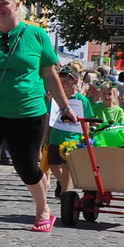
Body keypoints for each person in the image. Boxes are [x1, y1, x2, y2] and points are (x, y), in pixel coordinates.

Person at [0, 0, 79, 234]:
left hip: (28, 111)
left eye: (3, 3)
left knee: (26, 165)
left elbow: (49, 74)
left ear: (16, 6)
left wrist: (65, 106)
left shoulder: (37, 35)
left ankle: (43, 209)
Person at [46, 67, 87, 196]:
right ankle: (62, 182)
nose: (62, 83)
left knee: (66, 166)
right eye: (60, 80)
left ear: (74, 82)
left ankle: (65, 192)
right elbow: (49, 117)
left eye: (65, 80)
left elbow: (86, 120)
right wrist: (45, 134)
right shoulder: (54, 99)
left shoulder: (82, 100)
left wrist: (86, 137)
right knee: (53, 165)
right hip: (56, 136)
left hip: (72, 137)